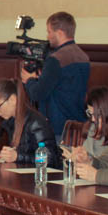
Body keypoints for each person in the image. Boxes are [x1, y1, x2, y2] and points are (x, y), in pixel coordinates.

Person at [21, 11, 90, 141]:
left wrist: (29, 80)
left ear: (59, 33)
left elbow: (38, 94)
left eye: (49, 32)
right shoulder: (83, 56)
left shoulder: (56, 59)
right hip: (77, 125)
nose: (48, 37)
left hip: (58, 127)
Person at [0, 78, 60, 166]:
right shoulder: (11, 122)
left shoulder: (36, 122)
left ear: (12, 100)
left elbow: (50, 158)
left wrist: (17, 156)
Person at [81, 86, 108, 161]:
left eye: (97, 115)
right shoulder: (92, 127)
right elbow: (87, 154)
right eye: (90, 113)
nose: (93, 119)